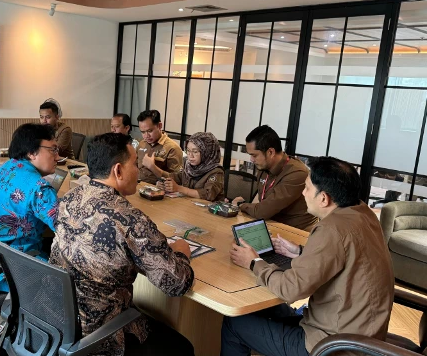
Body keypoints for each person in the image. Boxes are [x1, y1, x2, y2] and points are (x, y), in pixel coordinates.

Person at [224, 156, 394, 356]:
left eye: (306, 188)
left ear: (324, 198)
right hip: (361, 336)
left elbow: (290, 290)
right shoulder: (363, 213)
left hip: (333, 345)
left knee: (234, 324)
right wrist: (301, 253)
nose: (303, 193)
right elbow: (348, 257)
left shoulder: (331, 229)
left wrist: (253, 262)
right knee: (266, 311)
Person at [49, 133, 195, 356]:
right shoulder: (130, 220)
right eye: (134, 164)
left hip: (56, 315)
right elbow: (176, 284)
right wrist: (182, 254)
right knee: (182, 347)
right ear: (118, 170)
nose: (138, 170)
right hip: (100, 334)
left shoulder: (70, 197)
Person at [0, 124, 59, 292]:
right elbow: (68, 231)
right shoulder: (40, 188)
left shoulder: (5, 168)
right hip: (12, 270)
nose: (58, 156)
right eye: (53, 150)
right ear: (31, 152)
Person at [229, 125, 317, 231]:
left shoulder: (297, 173)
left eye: (254, 155)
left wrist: (241, 205)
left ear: (270, 152)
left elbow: (263, 211)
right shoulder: (264, 167)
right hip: (271, 224)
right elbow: (261, 204)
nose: (251, 159)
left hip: (295, 232)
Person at [142, 132, 225, 201]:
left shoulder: (216, 171)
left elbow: (208, 194)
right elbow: (176, 177)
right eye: (188, 151)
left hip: (210, 213)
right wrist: (165, 183)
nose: (190, 156)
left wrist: (178, 188)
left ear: (207, 153)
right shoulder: (188, 165)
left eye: (195, 152)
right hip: (188, 207)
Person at [136, 110, 183, 184]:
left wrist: (152, 167)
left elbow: (177, 180)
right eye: (143, 132)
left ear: (159, 126)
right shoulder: (142, 144)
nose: (146, 136)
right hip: (137, 186)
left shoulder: (172, 148)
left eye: (150, 131)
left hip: (158, 191)